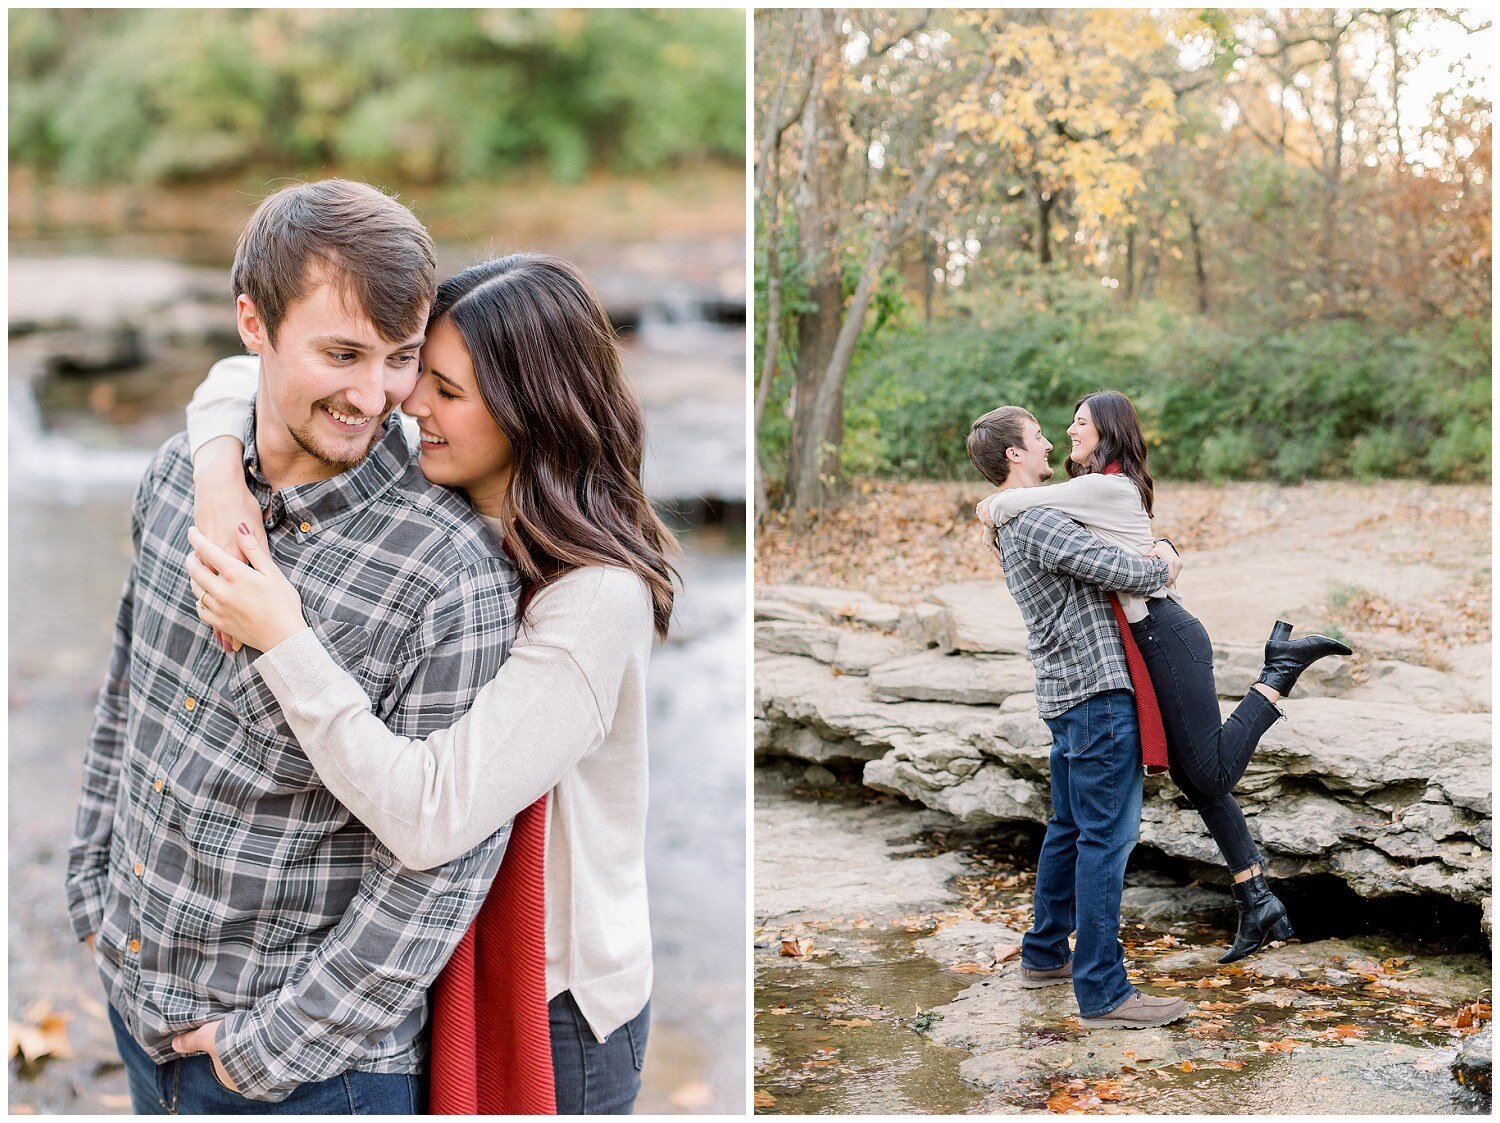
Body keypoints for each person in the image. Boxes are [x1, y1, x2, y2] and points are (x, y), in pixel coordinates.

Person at [182, 252, 676, 1114]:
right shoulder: (439, 469)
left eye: (445, 390)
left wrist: (283, 638)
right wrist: (218, 472)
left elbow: (431, 812)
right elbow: (238, 373)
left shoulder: (596, 596)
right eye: (419, 372)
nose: (404, 405)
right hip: (436, 967)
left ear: (532, 411)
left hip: (550, 1002)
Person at [65, 180, 521, 1113]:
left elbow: (440, 869)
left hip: (312, 1078)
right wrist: (91, 889)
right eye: (341, 354)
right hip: (141, 1012)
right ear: (253, 324)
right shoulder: (174, 480)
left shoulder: (452, 573)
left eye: (399, 358)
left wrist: (262, 1051)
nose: (375, 396)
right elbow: (130, 694)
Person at [976, 391, 1352, 963]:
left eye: (1079, 424)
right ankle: (1257, 897)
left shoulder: (1099, 488)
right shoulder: (1082, 498)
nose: (1062, 435)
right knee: (1194, 775)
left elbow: (1045, 513)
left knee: (1209, 769)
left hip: (1165, 635)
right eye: (1052, 430)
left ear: (1108, 430)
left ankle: (1279, 671)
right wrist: (1163, 550)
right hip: (1144, 645)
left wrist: (993, 507)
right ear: (1014, 451)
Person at [965, 405, 1189, 1030]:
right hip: (1095, 694)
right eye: (1037, 437)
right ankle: (1104, 991)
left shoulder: (1025, 518)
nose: (1049, 444)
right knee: (1105, 840)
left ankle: (1043, 954)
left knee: (1068, 828)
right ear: (1014, 454)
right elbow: (1126, 569)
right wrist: (1165, 559)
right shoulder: (1035, 522)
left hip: (1067, 693)